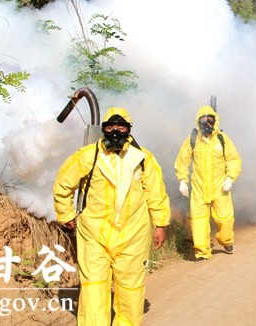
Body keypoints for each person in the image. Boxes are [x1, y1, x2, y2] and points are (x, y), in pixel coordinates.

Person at [53, 107, 171, 325]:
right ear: (103, 129)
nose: (115, 131)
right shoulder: (88, 155)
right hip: (94, 235)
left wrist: (161, 224)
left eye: (121, 127)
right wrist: (66, 214)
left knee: (130, 289)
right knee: (93, 288)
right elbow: (63, 184)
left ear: (129, 130)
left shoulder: (143, 158)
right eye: (110, 127)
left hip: (133, 234)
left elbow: (156, 192)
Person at [174, 105, 242, 261]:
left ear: (215, 121)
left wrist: (230, 178)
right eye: (203, 120)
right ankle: (202, 252)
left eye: (210, 120)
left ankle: (226, 241)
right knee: (198, 220)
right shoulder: (193, 139)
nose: (207, 124)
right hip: (199, 187)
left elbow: (233, 159)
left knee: (225, 218)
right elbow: (182, 161)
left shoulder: (222, 139)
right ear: (198, 122)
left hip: (220, 187)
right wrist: (182, 180)